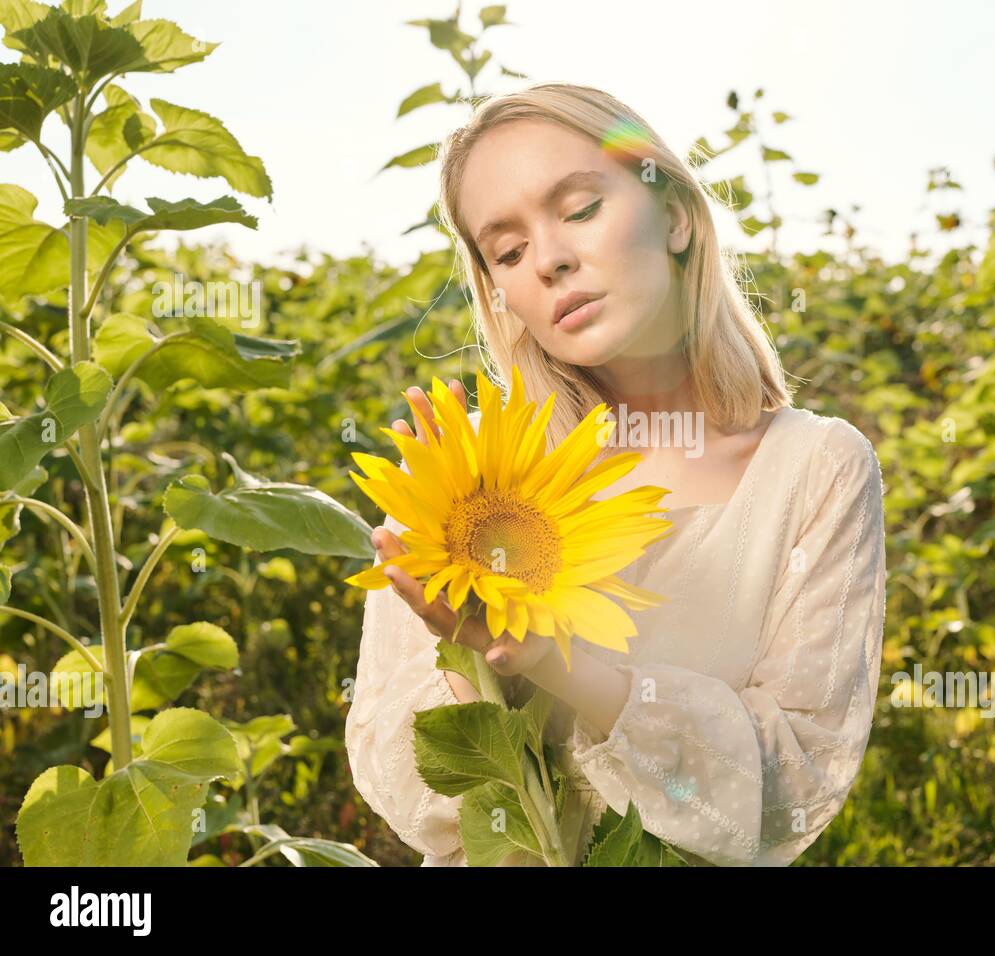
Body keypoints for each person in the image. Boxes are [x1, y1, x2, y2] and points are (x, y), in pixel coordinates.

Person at [345, 83, 885, 866]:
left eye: (579, 208)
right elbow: (409, 791)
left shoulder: (815, 470)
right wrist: (471, 658)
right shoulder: (465, 477)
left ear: (674, 215)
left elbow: (791, 784)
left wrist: (557, 662)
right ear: (500, 290)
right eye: (509, 250)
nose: (552, 259)